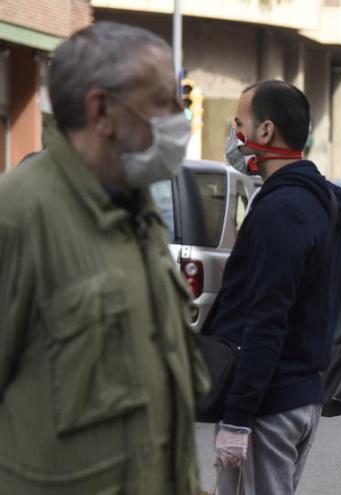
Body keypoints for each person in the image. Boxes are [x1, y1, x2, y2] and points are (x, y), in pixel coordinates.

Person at [0, 22, 209, 494]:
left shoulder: (140, 211)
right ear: (101, 111)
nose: (181, 115)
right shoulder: (18, 218)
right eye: (163, 101)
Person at [206, 80, 341, 494]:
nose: (235, 135)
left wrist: (237, 418)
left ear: (266, 132)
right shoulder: (315, 200)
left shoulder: (283, 209)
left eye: (240, 123)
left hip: (270, 404)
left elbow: (267, 319)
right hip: (296, 393)